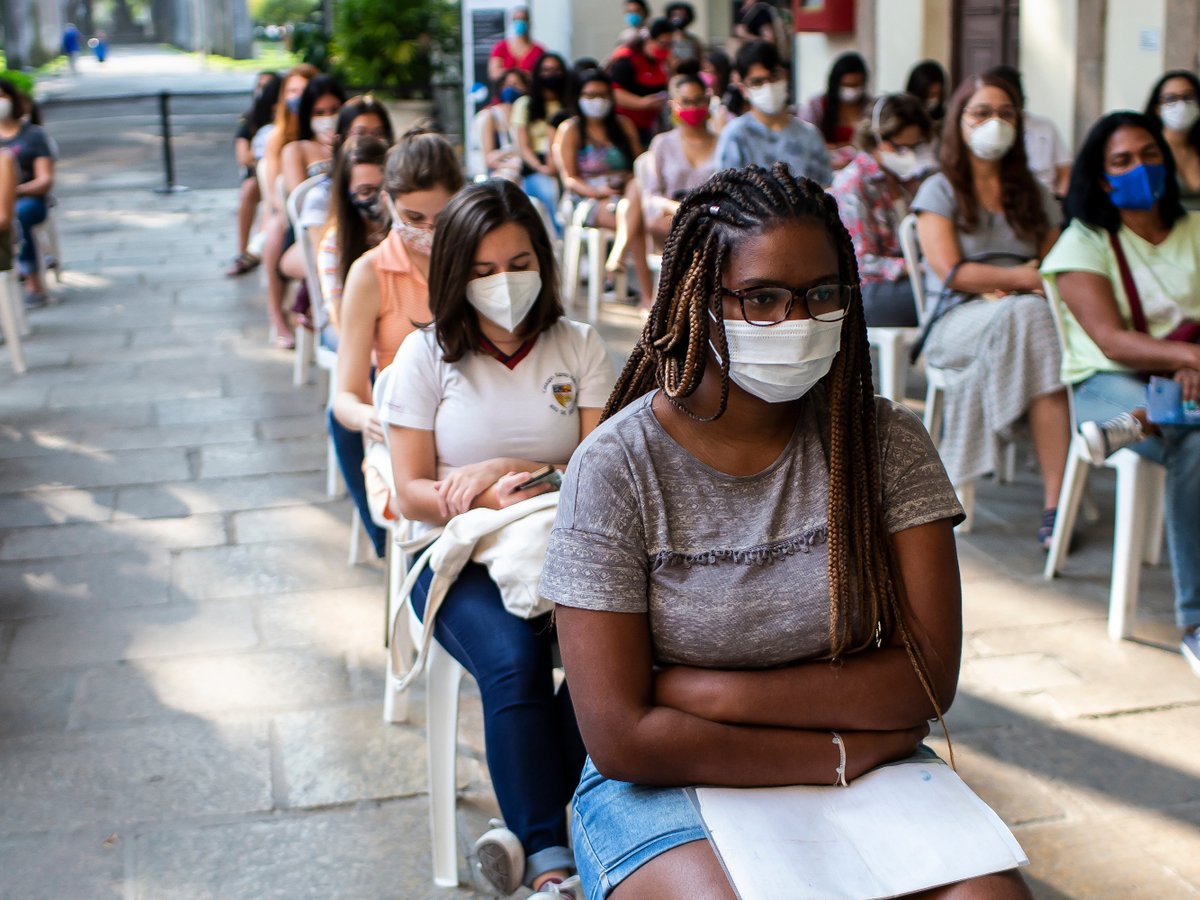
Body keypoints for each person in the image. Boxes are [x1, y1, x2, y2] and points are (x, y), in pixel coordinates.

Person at [539, 162, 1030, 900]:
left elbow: (926, 678)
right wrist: (839, 749)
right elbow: (622, 737)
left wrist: (712, 695)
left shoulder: (884, 444)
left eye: (821, 294)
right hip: (667, 783)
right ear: (697, 301)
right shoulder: (615, 469)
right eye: (762, 298)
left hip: (863, 765)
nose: (795, 322)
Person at [385, 179, 614, 899]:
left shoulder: (578, 346)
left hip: (561, 548)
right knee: (512, 663)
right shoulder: (425, 358)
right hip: (451, 555)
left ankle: (539, 828)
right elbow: (409, 490)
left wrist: (512, 468)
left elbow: (604, 472)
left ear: (542, 263)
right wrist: (483, 493)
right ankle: (552, 864)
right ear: (454, 274)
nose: (504, 284)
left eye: (518, 264)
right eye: (482, 272)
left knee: (603, 656)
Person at [1040, 111, 1200, 676]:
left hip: (1185, 379)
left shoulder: (1194, 230)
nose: (1140, 168)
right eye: (1122, 161)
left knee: (1189, 422)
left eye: (1150, 154)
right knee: (1195, 439)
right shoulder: (1084, 241)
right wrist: (1190, 358)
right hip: (1105, 384)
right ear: (1101, 177)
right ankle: (1197, 622)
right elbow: (1111, 340)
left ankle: (1146, 420)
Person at [913, 74, 1069, 546]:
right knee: (1030, 320)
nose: (993, 121)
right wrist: (1020, 279)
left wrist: (1026, 288)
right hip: (955, 320)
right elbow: (951, 272)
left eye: (1005, 112)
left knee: (1030, 324)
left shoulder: (1035, 193)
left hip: (1024, 318)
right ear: (960, 121)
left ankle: (1057, 502)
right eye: (981, 112)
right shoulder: (938, 190)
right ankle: (1057, 502)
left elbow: (1057, 263)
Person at [331, 129, 464, 559]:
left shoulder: (478, 257)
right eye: (413, 219)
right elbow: (345, 395)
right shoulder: (370, 273)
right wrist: (369, 417)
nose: (427, 232)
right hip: (404, 426)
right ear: (387, 202)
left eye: (441, 219)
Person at [832, 93, 934, 327]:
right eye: (899, 147)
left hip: (912, 279)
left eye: (914, 147)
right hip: (867, 290)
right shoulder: (853, 183)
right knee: (946, 292)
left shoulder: (909, 181)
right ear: (875, 137)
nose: (907, 155)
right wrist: (912, 268)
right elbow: (860, 261)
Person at [280, 94, 394, 300]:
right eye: (360, 133)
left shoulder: (401, 189)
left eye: (379, 133)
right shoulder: (322, 198)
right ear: (340, 139)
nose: (370, 141)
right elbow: (325, 268)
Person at [555, 68, 653, 301]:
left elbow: (640, 164)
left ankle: (619, 253)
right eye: (590, 95)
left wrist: (624, 180)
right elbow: (569, 178)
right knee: (636, 224)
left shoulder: (623, 125)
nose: (597, 101)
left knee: (636, 187)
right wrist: (598, 191)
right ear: (578, 97)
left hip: (626, 193)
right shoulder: (570, 130)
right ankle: (649, 298)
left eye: (602, 95)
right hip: (588, 199)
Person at [714, 41, 832, 187]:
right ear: (744, 88)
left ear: (786, 76)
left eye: (774, 77)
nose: (768, 86)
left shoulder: (809, 135)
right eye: (757, 82)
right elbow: (726, 193)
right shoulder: (736, 135)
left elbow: (825, 191)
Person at [261, 63, 320, 347]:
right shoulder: (279, 139)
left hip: (322, 216)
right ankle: (277, 316)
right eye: (293, 90)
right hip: (290, 212)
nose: (299, 96)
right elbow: (273, 188)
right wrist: (286, 212)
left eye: (305, 90)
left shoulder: (328, 136)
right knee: (273, 233)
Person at [315, 135, 390, 347]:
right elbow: (338, 315)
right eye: (365, 191)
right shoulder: (334, 243)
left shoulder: (410, 231)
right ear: (347, 195)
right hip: (353, 332)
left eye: (383, 188)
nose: (378, 199)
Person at [640, 73, 717, 245]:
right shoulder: (662, 143)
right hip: (673, 220)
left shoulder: (723, 142)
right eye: (686, 102)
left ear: (708, 101)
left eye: (698, 101)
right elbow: (652, 196)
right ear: (673, 105)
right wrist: (677, 208)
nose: (693, 107)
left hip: (715, 219)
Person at [0, 78, 55, 310]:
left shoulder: (33, 135)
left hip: (27, 200)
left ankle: (33, 281)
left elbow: (45, 180)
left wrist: (15, 191)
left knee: (20, 215)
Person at [987, 65, 1072, 197]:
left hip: (1045, 201)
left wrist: (1060, 200)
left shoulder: (1045, 128)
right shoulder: (988, 131)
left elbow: (1065, 170)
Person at [227, 71, 280, 277]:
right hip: (258, 173)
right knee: (251, 189)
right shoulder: (250, 120)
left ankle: (257, 247)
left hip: (273, 172)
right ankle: (244, 250)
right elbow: (244, 156)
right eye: (260, 86)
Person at [511, 53, 569, 231]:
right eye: (546, 70)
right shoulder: (525, 105)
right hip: (537, 166)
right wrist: (541, 167)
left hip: (566, 163)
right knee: (549, 193)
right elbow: (523, 146)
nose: (551, 74)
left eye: (556, 70)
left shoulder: (568, 104)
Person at [608, 17, 675, 148]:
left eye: (670, 44)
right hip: (625, 124)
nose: (666, 49)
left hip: (650, 124)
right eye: (662, 44)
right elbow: (614, 93)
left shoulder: (661, 61)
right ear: (649, 40)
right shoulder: (627, 59)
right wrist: (642, 103)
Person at [802, 51, 871, 170]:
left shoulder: (870, 107)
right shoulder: (817, 106)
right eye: (847, 85)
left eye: (856, 85)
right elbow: (804, 141)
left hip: (859, 170)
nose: (851, 90)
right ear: (836, 83)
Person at [1144, 70, 1200, 210]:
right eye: (1170, 99)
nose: (1181, 105)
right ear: (1157, 108)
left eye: (1188, 97)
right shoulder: (1148, 152)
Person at [281, 75, 346, 195]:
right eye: (319, 113)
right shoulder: (295, 150)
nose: (328, 117)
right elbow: (299, 200)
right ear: (307, 116)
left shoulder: (353, 144)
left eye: (334, 110)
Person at [479, 68, 529, 182]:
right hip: (504, 173)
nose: (511, 88)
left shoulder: (528, 112)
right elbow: (488, 158)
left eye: (516, 84)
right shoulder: (492, 116)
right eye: (506, 85)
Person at [488, 5, 546, 81]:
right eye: (516, 19)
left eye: (523, 19)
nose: (520, 22)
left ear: (528, 22)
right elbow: (494, 73)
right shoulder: (501, 47)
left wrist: (508, 72)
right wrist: (523, 74)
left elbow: (542, 76)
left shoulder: (538, 51)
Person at [905, 59, 947, 129]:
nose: (934, 99)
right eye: (930, 94)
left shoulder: (944, 120)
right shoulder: (902, 119)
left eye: (938, 94)